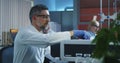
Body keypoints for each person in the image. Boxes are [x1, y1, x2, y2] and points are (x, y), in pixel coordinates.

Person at [13, 4, 91, 63]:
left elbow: (53, 39)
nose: (48, 20)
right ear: (34, 18)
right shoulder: (25, 33)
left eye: (48, 17)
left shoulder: (42, 32)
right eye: (45, 17)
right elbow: (47, 40)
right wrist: (73, 32)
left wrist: (56, 60)